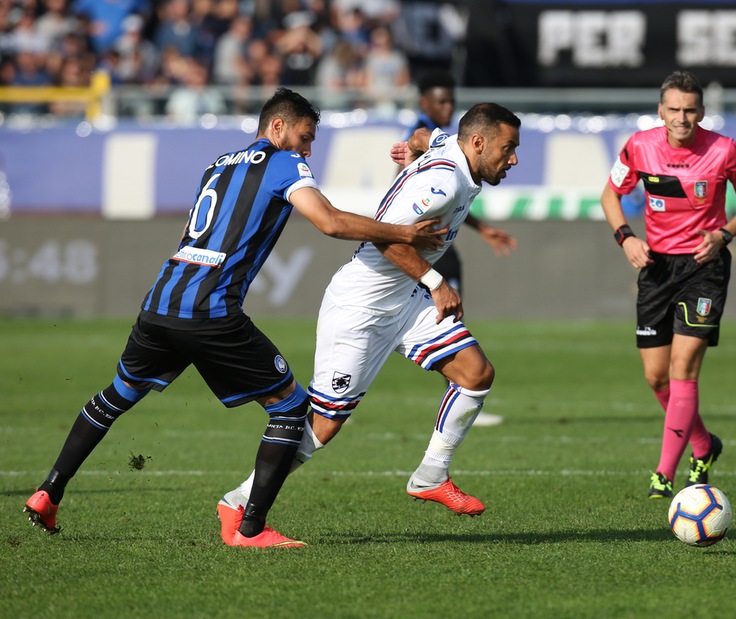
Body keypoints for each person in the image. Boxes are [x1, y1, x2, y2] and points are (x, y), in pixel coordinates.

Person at [24, 87, 446, 548]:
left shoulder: (217, 164)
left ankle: (48, 492)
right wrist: (404, 232)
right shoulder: (280, 163)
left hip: (162, 301)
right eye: (305, 138)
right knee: (289, 407)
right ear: (277, 127)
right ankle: (250, 528)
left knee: (117, 395)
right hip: (211, 310)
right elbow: (329, 221)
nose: (308, 151)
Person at [216, 102, 520, 539]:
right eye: (507, 148)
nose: (513, 159)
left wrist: (409, 152)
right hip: (362, 306)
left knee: (475, 373)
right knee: (322, 427)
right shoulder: (444, 181)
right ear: (477, 142)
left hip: (404, 300)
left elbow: (422, 136)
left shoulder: (445, 146)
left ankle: (431, 476)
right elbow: (383, 238)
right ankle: (239, 501)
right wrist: (437, 281)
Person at [599, 71, 736, 499]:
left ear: (702, 112)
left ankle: (665, 473)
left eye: (690, 110)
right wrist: (626, 237)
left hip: (704, 268)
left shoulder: (726, 150)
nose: (682, 118)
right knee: (656, 378)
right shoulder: (639, 146)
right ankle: (703, 446)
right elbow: (609, 195)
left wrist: (723, 235)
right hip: (656, 268)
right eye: (674, 109)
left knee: (683, 370)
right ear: (660, 111)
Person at [403, 71, 518, 426]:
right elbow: (424, 189)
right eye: (441, 101)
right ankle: (458, 389)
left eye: (452, 101)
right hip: (419, 245)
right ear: (425, 102)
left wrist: (482, 229)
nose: (448, 107)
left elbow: (454, 195)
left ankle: (461, 385)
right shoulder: (441, 144)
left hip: (439, 240)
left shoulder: (448, 141)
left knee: (453, 318)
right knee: (447, 309)